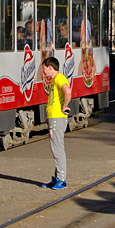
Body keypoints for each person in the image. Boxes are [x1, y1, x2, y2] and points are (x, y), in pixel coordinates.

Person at [40, 56, 72, 189]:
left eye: (44, 69)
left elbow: (67, 91)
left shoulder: (59, 79)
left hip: (57, 118)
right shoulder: (55, 81)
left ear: (50, 67)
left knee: (57, 148)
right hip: (54, 118)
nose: (43, 72)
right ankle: (57, 177)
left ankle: (61, 179)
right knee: (55, 148)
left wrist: (65, 106)